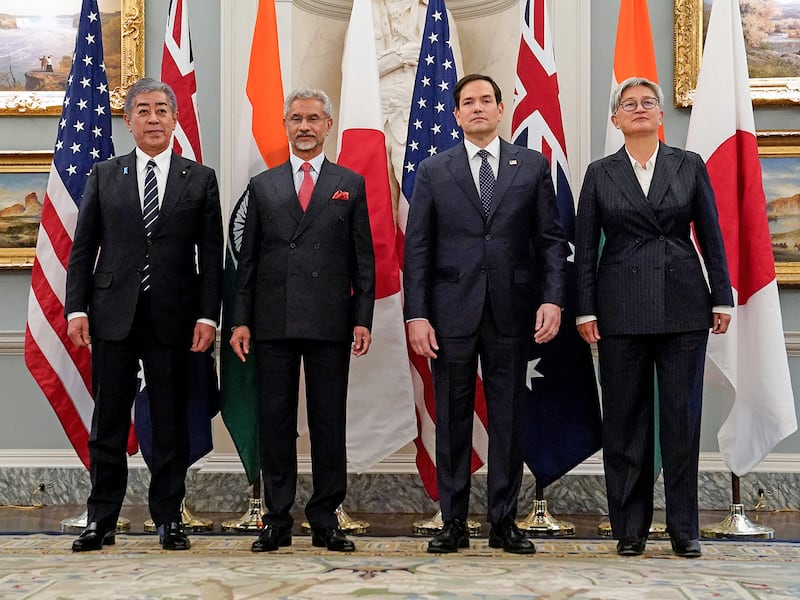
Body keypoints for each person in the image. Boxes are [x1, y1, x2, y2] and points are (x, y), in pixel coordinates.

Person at [403, 73, 569, 555]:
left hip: (512, 312)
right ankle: (453, 522)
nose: (477, 108)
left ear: (501, 110)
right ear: (455, 115)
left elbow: (551, 242)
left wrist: (552, 298)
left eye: (486, 101)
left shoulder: (532, 166)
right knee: (452, 420)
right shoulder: (434, 170)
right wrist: (417, 315)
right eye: (468, 102)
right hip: (448, 314)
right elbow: (418, 250)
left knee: (509, 420)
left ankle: (503, 522)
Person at [574, 77, 733, 559]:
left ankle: (686, 529)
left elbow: (710, 232)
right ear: (615, 118)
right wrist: (585, 307)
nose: (640, 109)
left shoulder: (688, 165)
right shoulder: (600, 173)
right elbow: (585, 251)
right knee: (625, 423)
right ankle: (630, 529)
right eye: (629, 104)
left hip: (685, 306)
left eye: (648, 103)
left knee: (682, 422)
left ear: (661, 115)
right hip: (620, 310)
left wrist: (721, 298)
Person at [65, 77, 224, 552]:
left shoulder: (199, 177)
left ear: (175, 120)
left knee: (170, 419)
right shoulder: (103, 174)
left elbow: (211, 256)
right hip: (112, 313)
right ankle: (102, 519)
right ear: (129, 121)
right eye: (144, 111)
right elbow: (83, 249)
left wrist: (208, 317)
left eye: (161, 110)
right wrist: (77, 309)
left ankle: (168, 519)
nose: (153, 119)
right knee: (109, 420)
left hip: (175, 317)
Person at [229, 88, 375, 554]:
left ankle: (325, 517)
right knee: (276, 423)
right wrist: (241, 320)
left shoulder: (349, 182)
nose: (305, 126)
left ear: (328, 125)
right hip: (272, 322)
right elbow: (247, 261)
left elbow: (363, 261)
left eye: (314, 118)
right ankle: (276, 518)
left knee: (329, 423)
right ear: (285, 125)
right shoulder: (264, 184)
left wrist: (362, 318)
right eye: (296, 118)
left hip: (331, 322)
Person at [373, 0, 462, 214]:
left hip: (424, 125)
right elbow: (353, 71)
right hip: (375, 121)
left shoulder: (438, 14)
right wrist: (400, 55)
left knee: (421, 204)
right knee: (375, 208)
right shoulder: (365, 14)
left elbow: (454, 79)